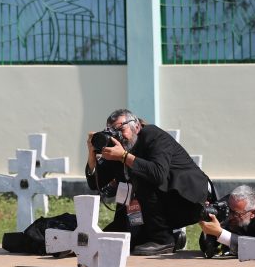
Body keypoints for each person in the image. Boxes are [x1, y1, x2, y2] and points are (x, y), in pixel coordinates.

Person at [86, 109, 211, 255]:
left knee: (142, 176)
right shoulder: (118, 147)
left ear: (137, 126)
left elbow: (157, 174)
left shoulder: (153, 135)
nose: (118, 135)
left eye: (121, 129)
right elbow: (95, 184)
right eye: (113, 131)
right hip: (145, 211)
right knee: (110, 242)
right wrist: (92, 154)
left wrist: (124, 157)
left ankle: (163, 240)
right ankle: (174, 237)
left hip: (187, 200)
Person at [197, 184, 255, 256]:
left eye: (236, 213)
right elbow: (206, 247)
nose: (230, 216)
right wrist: (207, 223)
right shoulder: (227, 205)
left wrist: (221, 234)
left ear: (253, 213)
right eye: (229, 210)